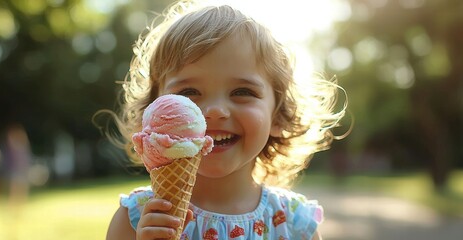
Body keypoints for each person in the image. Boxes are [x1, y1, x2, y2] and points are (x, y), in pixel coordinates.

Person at [102, 1, 346, 239]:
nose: (216, 110)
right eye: (188, 93)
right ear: (151, 113)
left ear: (278, 116)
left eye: (242, 92)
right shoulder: (136, 220)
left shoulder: (294, 224)